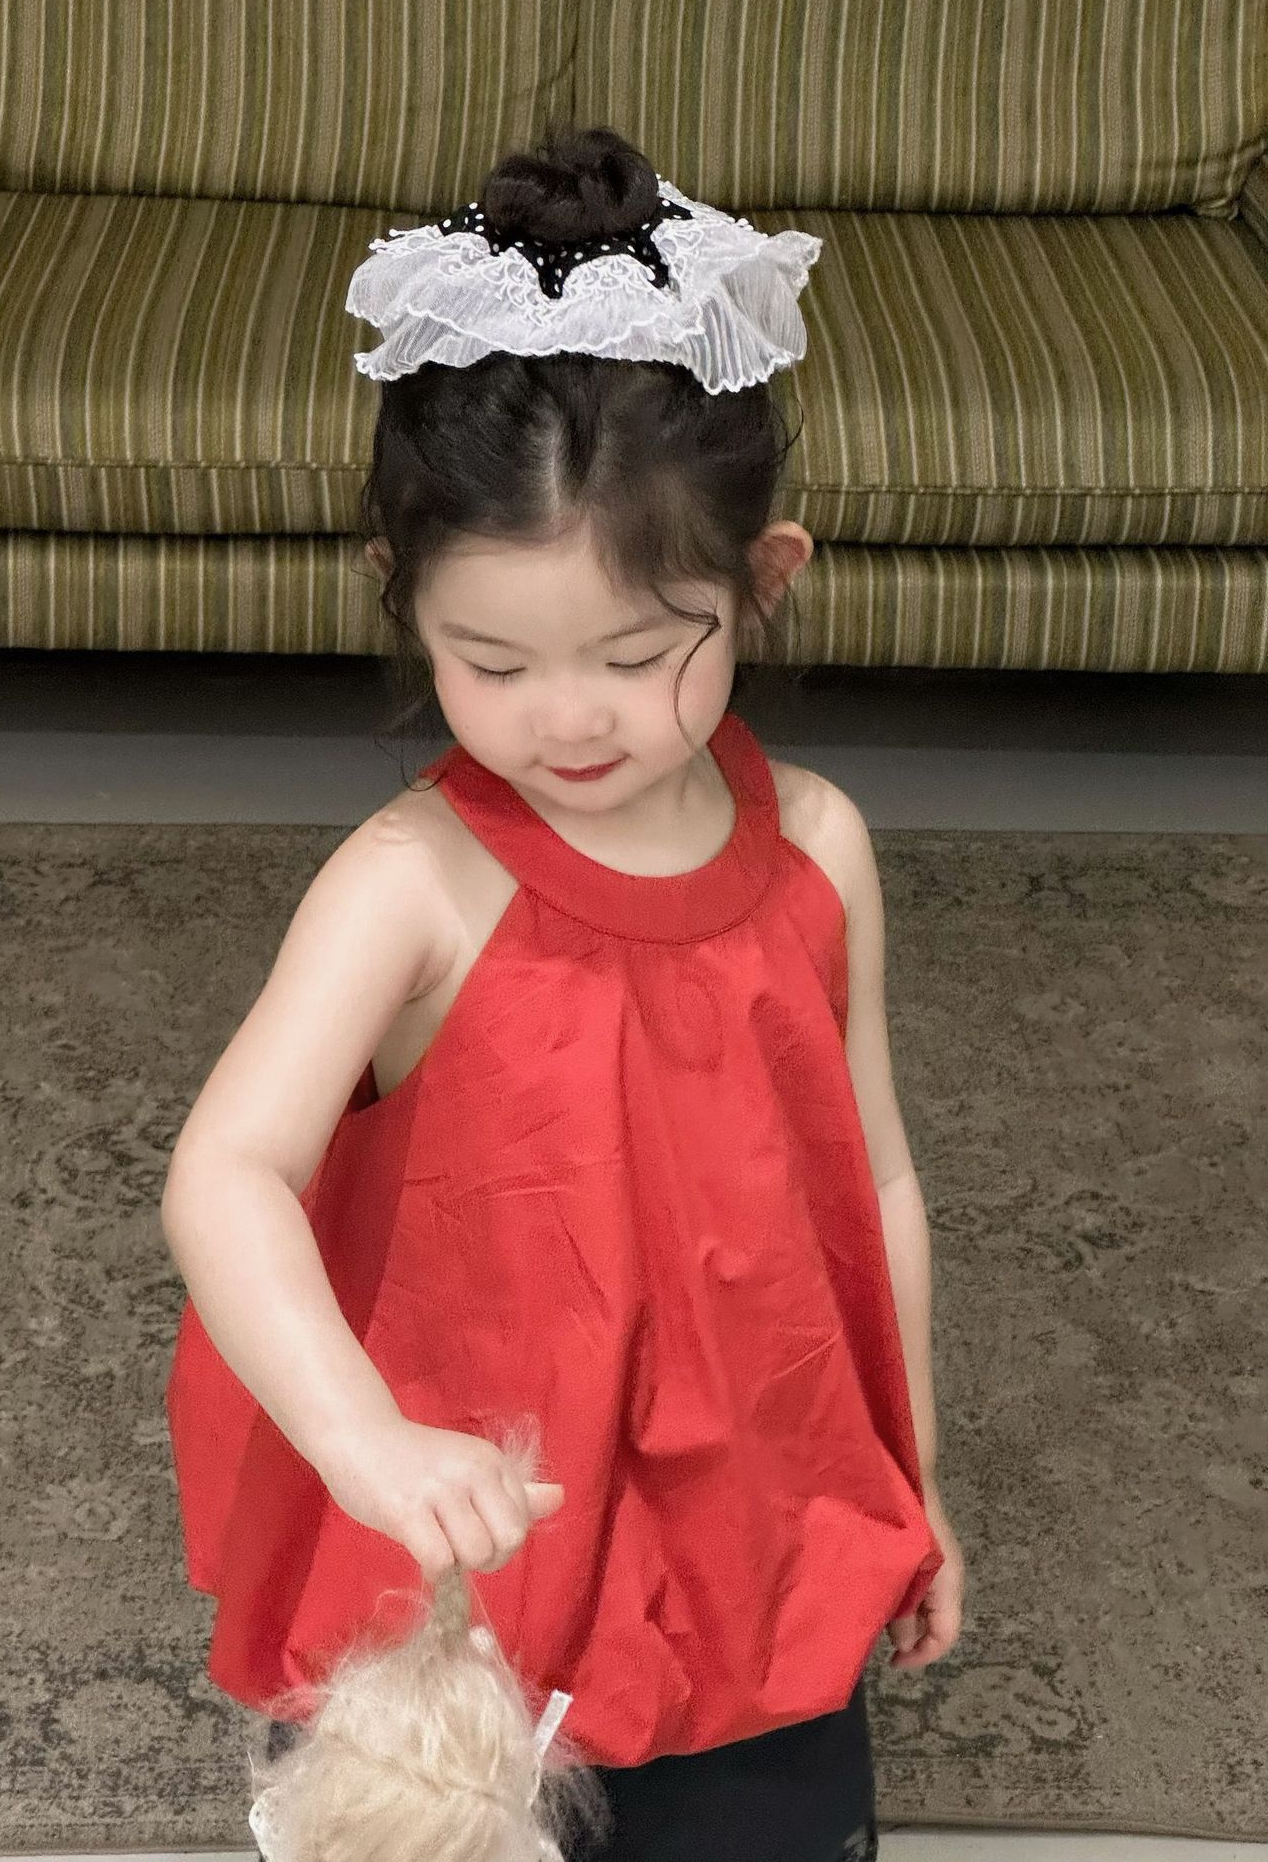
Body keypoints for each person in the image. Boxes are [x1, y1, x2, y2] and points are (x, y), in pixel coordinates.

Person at [161, 121, 965, 1862]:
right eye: (493, 662)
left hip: (749, 1521)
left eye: (636, 653)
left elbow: (878, 1187)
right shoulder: (408, 886)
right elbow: (224, 1175)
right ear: (402, 603)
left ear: (763, 582)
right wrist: (367, 1444)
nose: (570, 719)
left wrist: (910, 1482)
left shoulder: (819, 849)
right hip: (478, 1550)